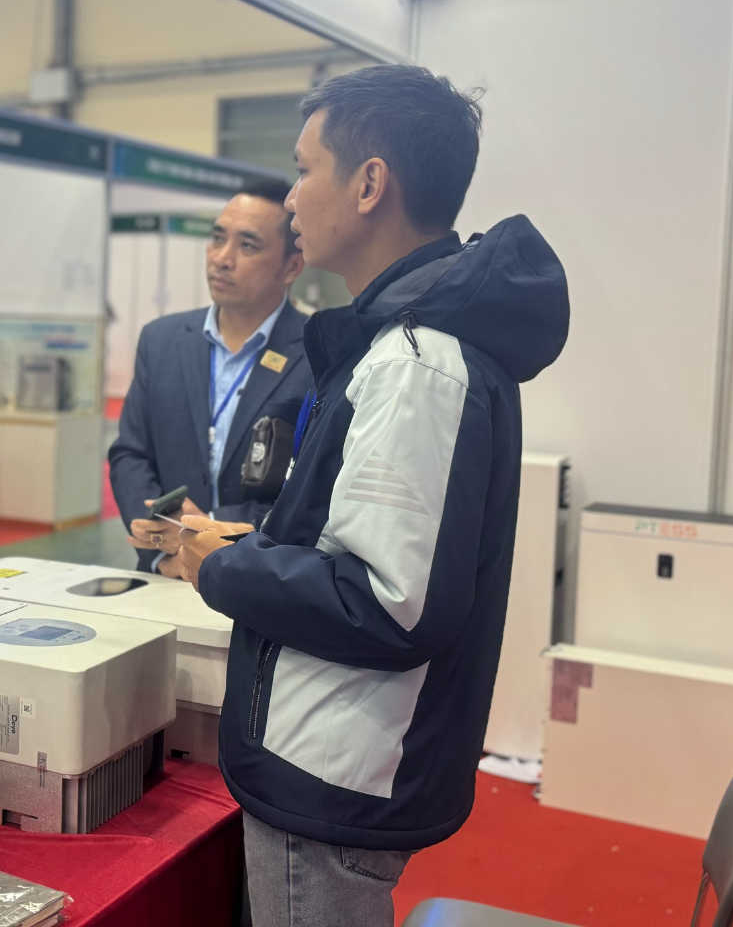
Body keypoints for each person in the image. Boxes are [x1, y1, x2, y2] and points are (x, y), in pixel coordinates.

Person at [164, 66, 569, 927]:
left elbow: (387, 603)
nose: (293, 198)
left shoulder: (416, 362)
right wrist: (255, 544)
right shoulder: (402, 343)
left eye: (304, 170)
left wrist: (226, 569)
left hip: (333, 766)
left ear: (370, 184)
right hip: (332, 751)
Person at [108, 178, 311, 571]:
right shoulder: (161, 341)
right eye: (218, 239)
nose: (222, 258)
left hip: (259, 576)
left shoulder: (316, 353)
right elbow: (130, 454)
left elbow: (310, 488)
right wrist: (160, 550)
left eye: (247, 246)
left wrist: (208, 531)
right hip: (164, 576)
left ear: (292, 266)